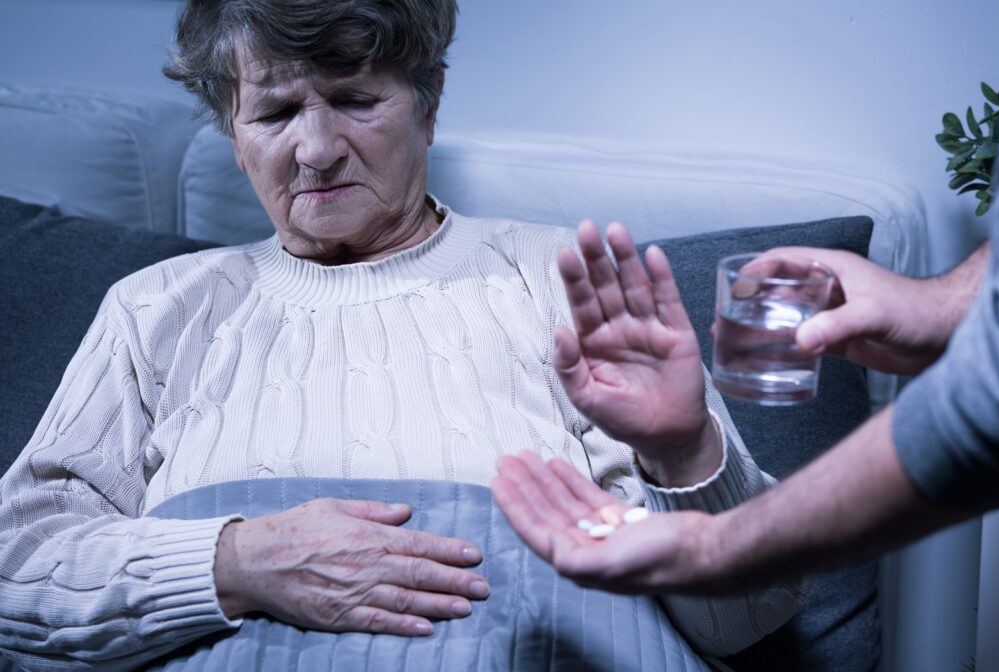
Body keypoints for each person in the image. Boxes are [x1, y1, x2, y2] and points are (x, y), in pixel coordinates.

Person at [0, 1, 805, 669]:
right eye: (276, 113)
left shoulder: (561, 277)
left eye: (355, 98)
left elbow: (748, 619)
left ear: (430, 101)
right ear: (234, 139)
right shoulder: (156, 310)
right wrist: (237, 564)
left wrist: (685, 452)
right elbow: (16, 576)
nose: (315, 151)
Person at [492, 0, 999, 597]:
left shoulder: (541, 271)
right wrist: (947, 306)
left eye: (366, 101)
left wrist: (694, 488)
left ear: (431, 99)